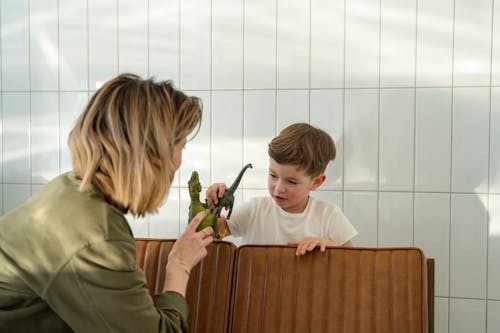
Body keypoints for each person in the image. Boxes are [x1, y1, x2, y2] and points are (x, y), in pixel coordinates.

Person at [0, 73, 214, 332]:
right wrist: (179, 265)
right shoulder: (95, 235)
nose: (180, 161)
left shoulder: (66, 188)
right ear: (154, 154)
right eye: (181, 146)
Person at [206, 123, 357, 256]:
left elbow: (351, 262)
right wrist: (212, 208)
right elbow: (214, 233)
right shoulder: (255, 210)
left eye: (291, 182)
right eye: (273, 175)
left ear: (316, 182)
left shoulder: (329, 216)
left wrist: (330, 246)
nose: (278, 188)